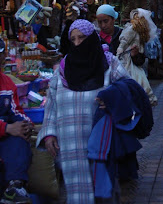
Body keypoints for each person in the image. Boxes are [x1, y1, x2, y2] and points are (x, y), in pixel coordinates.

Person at [36, 19, 131, 204]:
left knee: (104, 189)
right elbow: (52, 103)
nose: (78, 43)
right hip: (70, 143)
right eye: (74, 39)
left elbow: (129, 90)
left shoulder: (108, 65)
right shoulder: (63, 68)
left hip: (101, 140)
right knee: (76, 191)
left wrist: (111, 100)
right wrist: (49, 133)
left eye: (82, 38)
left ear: (92, 38)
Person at [0, 39, 33, 204]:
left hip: (5, 137)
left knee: (20, 138)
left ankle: (14, 187)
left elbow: (16, 110)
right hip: (3, 130)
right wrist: (6, 127)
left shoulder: (7, 82)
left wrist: (25, 124)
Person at [117, 9, 158, 106]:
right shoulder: (132, 29)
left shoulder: (136, 30)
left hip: (133, 61)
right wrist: (120, 50)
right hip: (127, 60)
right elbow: (124, 41)